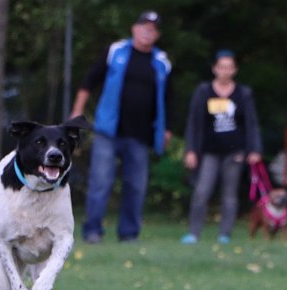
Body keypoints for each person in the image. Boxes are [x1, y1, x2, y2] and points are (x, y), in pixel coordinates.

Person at [70, 10, 172, 244]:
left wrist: (166, 129)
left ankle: (128, 234)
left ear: (157, 35)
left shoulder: (161, 62)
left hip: (140, 134)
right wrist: (77, 110)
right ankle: (92, 231)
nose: (148, 31)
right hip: (108, 131)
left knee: (136, 187)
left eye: (153, 29)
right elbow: (89, 81)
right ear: (134, 29)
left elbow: (168, 98)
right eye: (144, 26)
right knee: (100, 182)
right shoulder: (115, 52)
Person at [180, 49, 262, 244]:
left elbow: (251, 123)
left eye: (229, 67)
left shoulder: (243, 93)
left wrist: (254, 150)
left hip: (235, 152)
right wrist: (190, 150)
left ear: (234, 70)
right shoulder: (203, 91)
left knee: (229, 194)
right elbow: (194, 122)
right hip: (209, 151)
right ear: (214, 69)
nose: (225, 71)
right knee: (202, 191)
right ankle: (194, 232)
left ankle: (225, 234)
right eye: (221, 67)